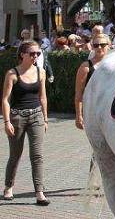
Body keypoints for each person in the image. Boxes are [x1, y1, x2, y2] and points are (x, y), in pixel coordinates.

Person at [2, 41, 49, 205]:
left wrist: (45, 118)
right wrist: (7, 121)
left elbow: (43, 97)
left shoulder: (40, 72)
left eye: (38, 53)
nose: (35, 56)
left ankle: (39, 192)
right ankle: (8, 187)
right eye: (32, 53)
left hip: (36, 116)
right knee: (15, 155)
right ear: (22, 54)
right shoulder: (12, 74)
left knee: (37, 156)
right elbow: (5, 100)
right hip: (17, 118)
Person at [75, 34, 111, 130]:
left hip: (111, 111)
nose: (99, 47)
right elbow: (79, 93)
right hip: (93, 111)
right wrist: (79, 115)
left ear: (109, 45)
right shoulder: (86, 67)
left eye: (103, 45)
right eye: (96, 45)